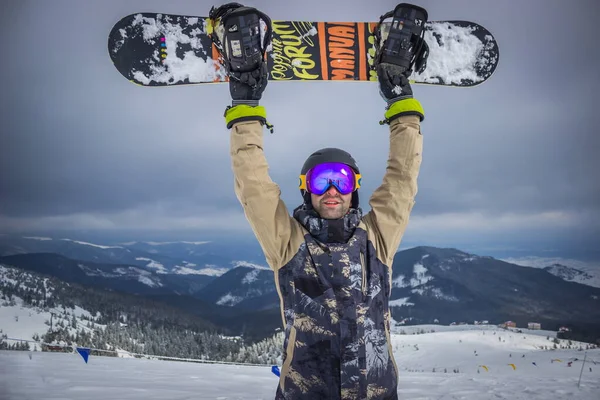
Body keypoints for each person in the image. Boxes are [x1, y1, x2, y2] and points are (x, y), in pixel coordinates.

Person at [212, 4, 425, 399]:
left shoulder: (376, 239)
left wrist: (401, 99)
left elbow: (402, 178)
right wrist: (245, 104)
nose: (331, 190)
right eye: (320, 180)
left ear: (354, 188)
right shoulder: (288, 243)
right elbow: (253, 185)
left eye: (341, 180)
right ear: (306, 189)